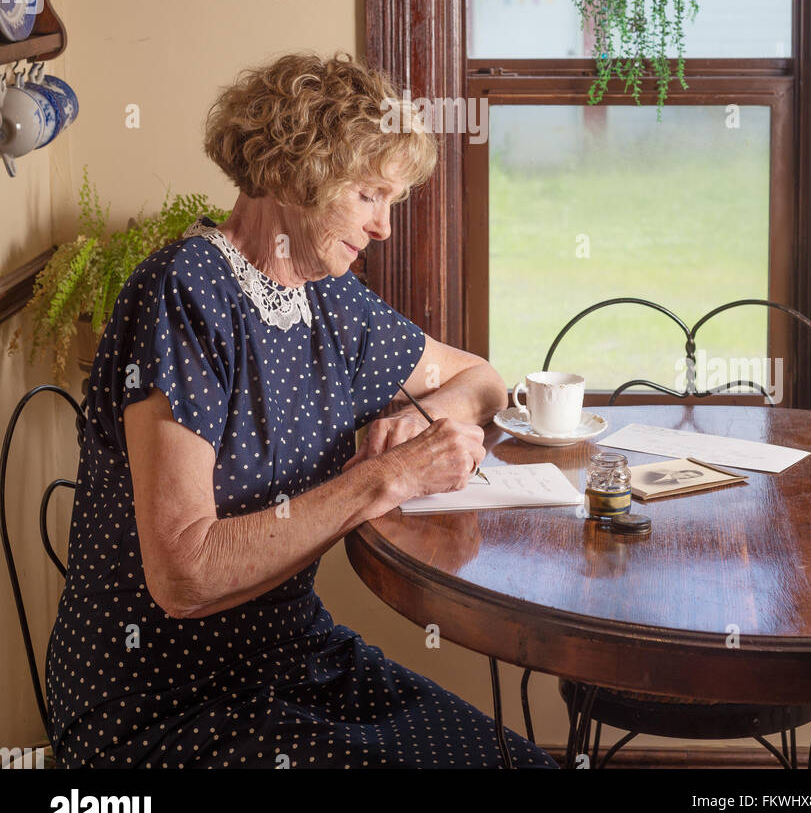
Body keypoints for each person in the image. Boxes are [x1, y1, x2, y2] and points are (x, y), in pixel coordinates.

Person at [46, 51, 558, 769]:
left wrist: (424, 415)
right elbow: (184, 576)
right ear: (298, 172)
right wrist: (388, 479)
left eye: (393, 202)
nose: (383, 227)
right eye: (369, 195)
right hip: (160, 699)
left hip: (296, 658)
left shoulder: (328, 300)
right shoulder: (185, 292)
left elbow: (482, 380)